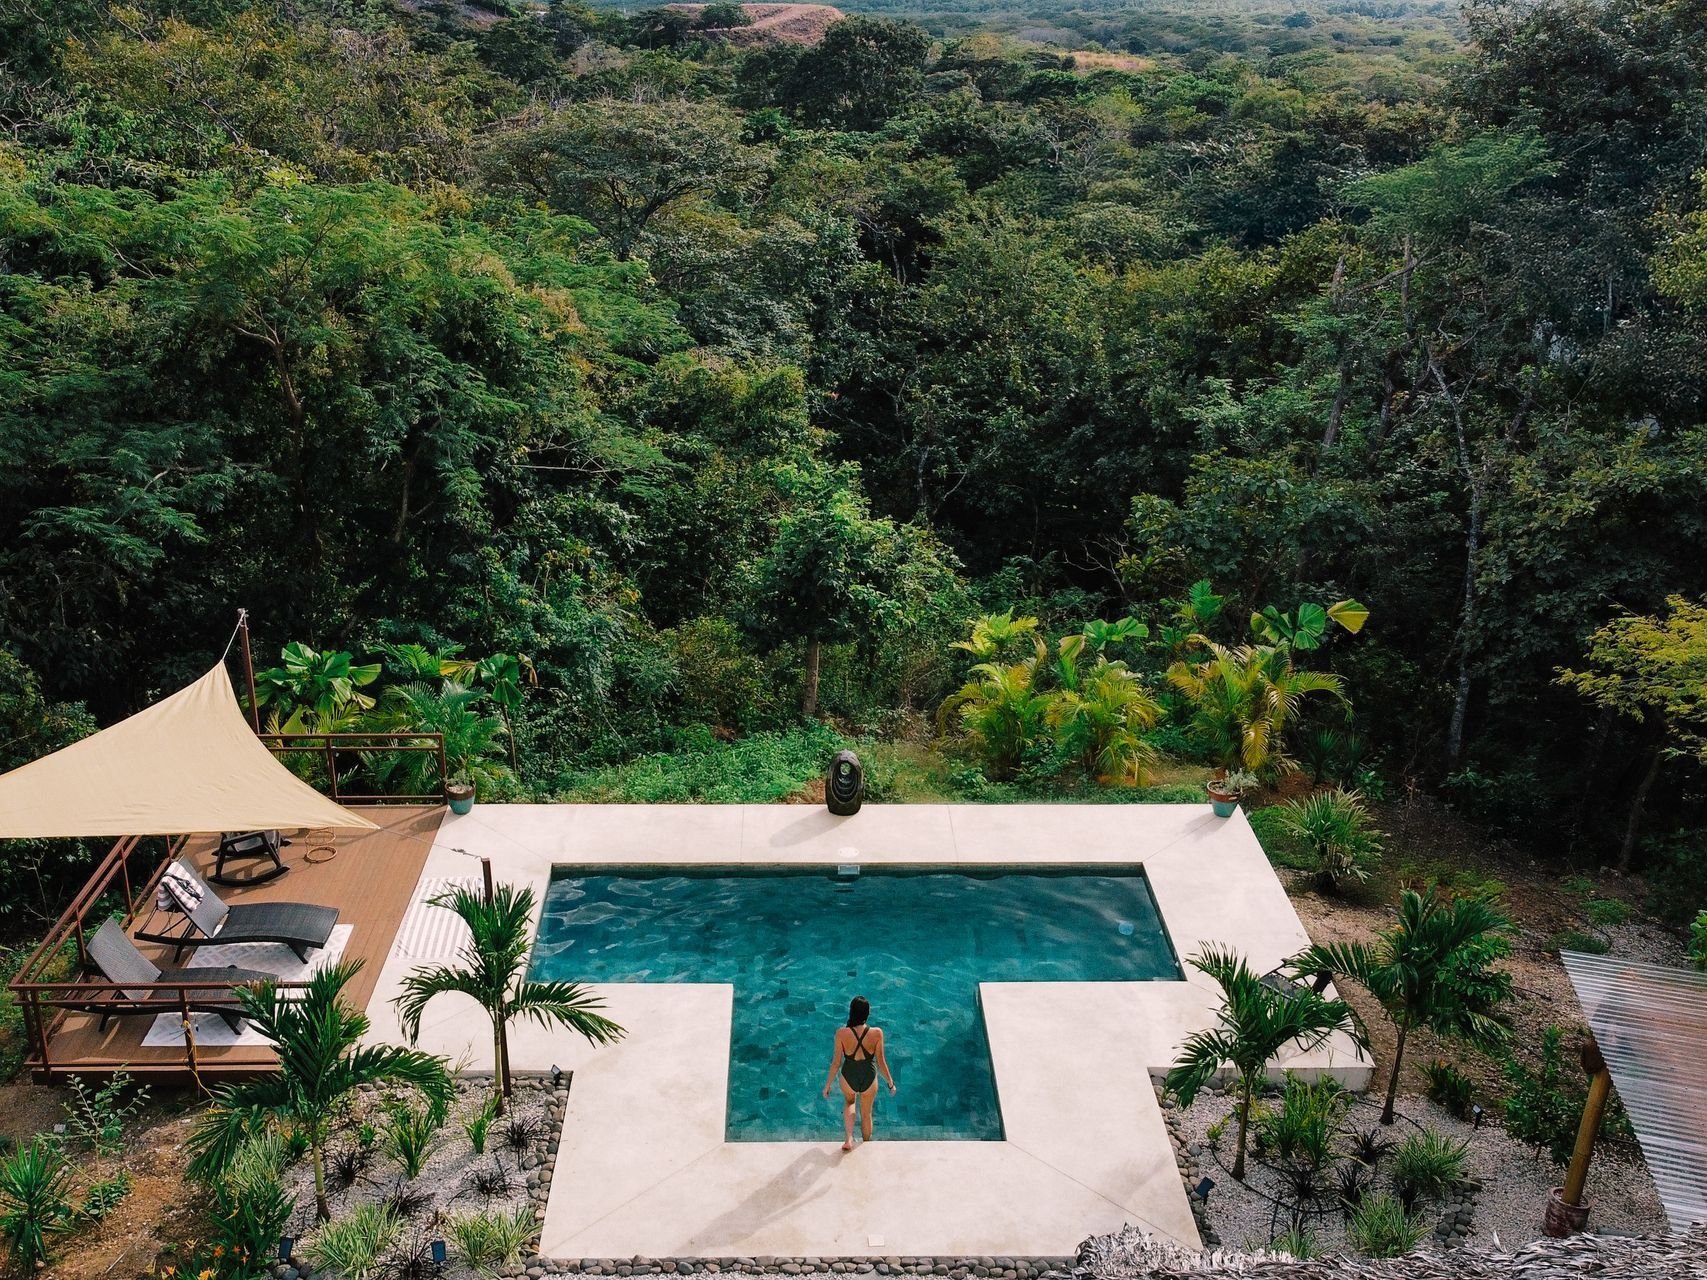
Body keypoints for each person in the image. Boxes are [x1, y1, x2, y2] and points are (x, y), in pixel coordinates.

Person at [822, 994, 896, 1150]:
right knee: (866, 1113)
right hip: (869, 1076)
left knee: (850, 1102)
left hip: (848, 1075)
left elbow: (836, 1063)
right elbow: (881, 1062)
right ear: (867, 1013)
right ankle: (866, 1145)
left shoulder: (841, 1033)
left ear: (851, 1012)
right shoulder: (877, 1033)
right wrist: (890, 1083)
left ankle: (848, 1139)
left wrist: (827, 1085)